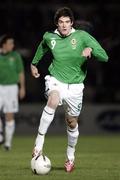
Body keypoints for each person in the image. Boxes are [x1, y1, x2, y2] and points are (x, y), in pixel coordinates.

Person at [31, 7, 108, 172]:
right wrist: (33, 63)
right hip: (56, 80)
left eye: (67, 22)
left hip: (75, 87)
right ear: (57, 24)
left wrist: (92, 51)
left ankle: (70, 157)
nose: (64, 25)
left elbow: (105, 56)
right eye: (61, 22)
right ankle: (38, 144)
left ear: (72, 23)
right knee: (53, 98)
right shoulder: (49, 37)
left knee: (71, 122)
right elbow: (42, 47)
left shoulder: (82, 36)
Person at [0, 34, 26, 150]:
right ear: (4, 44)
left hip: (12, 87)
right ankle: (0, 135)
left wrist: (22, 87)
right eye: (10, 43)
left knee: (9, 115)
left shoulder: (15, 56)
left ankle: (8, 143)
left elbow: (20, 73)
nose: (13, 45)